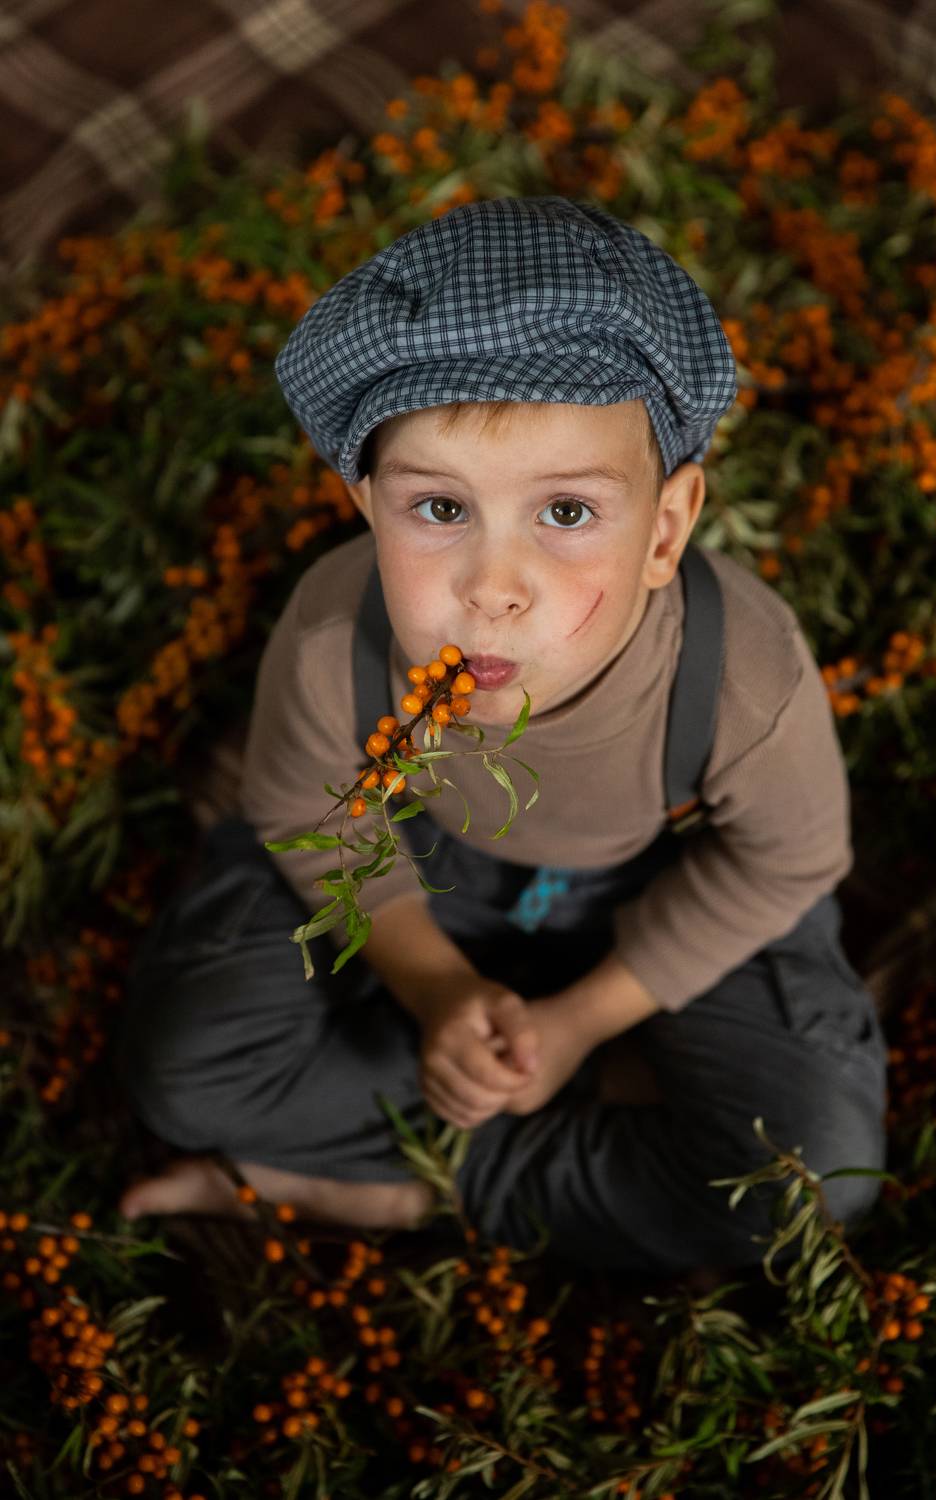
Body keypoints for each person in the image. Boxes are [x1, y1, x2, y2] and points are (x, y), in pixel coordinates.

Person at [114, 196, 888, 1274]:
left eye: (566, 513)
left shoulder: (740, 674)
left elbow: (788, 860)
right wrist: (435, 987)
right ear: (366, 504)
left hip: (667, 886)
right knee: (183, 1074)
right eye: (439, 510)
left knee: (817, 1179)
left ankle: (409, 1184)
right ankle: (566, 1128)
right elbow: (302, 808)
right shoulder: (335, 635)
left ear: (665, 530)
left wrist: (580, 1024)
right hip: (421, 861)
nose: (492, 588)